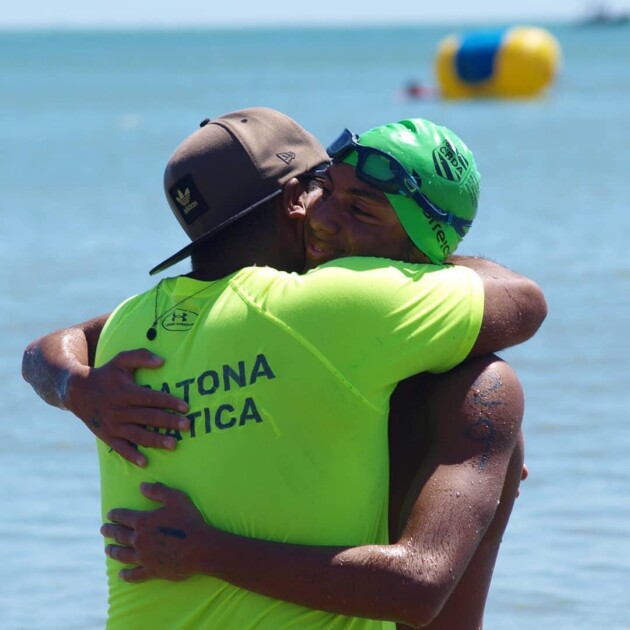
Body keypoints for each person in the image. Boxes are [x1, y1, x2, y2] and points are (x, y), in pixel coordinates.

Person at [22, 108, 546, 629]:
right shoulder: (339, 308)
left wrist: (72, 383)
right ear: (296, 197)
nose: (326, 217)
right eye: (326, 189)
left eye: (359, 208)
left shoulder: (128, 327)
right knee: (485, 393)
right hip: (395, 587)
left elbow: (42, 351)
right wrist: (422, 260)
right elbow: (524, 300)